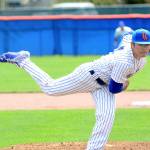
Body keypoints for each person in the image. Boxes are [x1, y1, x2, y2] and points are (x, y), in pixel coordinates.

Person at [0, 28, 150, 150]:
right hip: (89, 76)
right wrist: (125, 84)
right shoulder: (124, 61)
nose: (145, 48)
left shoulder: (136, 52)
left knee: (106, 117)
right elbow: (114, 88)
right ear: (133, 45)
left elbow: (127, 34)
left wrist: (130, 32)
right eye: (141, 45)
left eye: (147, 44)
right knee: (50, 88)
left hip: (103, 84)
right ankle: (23, 60)